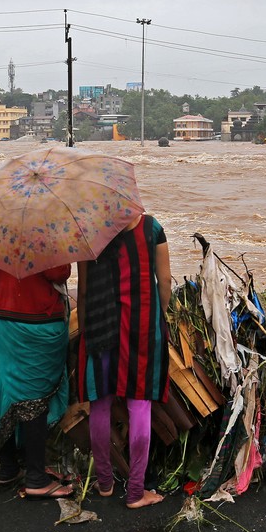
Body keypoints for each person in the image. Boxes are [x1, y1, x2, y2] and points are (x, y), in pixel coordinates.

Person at [77, 213, 171, 509]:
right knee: (139, 402)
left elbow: (82, 290)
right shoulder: (151, 228)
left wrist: (85, 327)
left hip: (99, 326)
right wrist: (160, 314)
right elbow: (165, 281)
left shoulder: (89, 232)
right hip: (141, 328)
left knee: (100, 403)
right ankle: (136, 492)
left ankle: (105, 482)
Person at [0, 263, 74, 499]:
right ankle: (36, 477)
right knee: (35, 396)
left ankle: (8, 467)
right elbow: (57, 272)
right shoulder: (44, 229)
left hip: (1, 319)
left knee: (4, 392)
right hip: (38, 321)